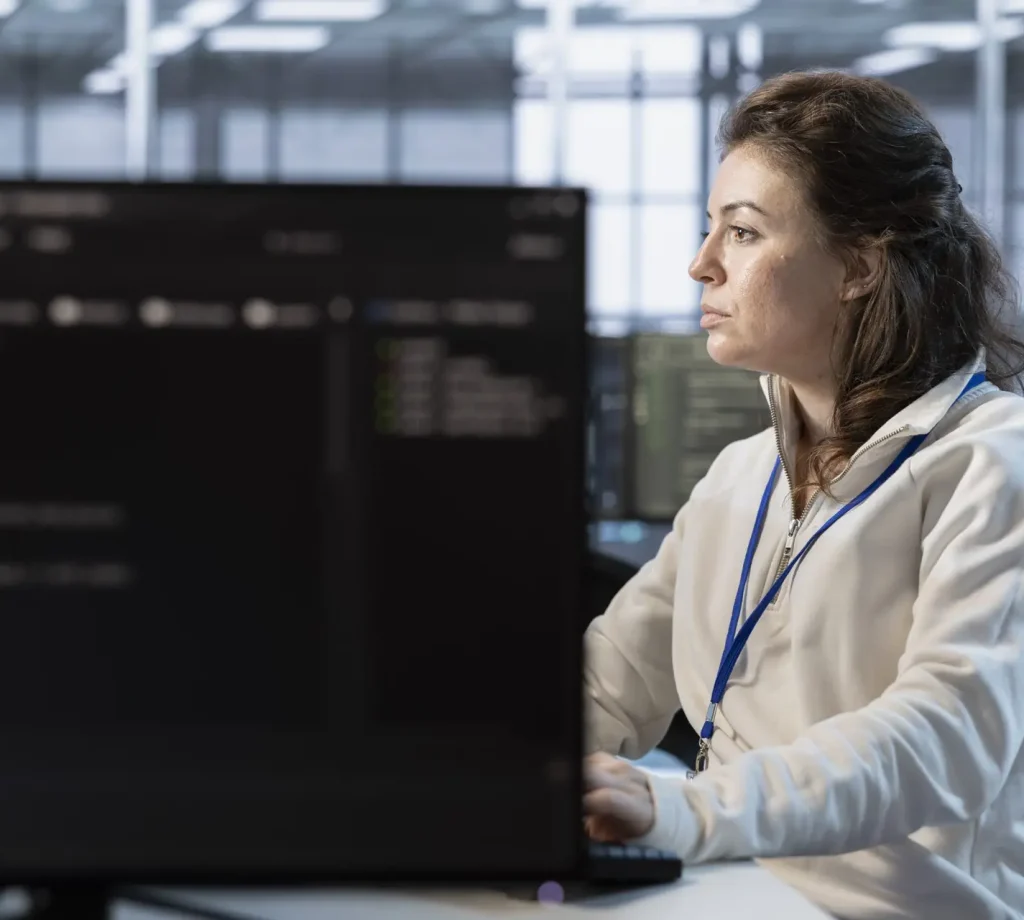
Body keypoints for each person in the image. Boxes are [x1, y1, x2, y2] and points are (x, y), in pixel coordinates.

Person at [581, 69, 1024, 920]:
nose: (701, 264)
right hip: (732, 890)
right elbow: (612, 683)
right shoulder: (742, 476)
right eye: (710, 229)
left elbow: (947, 736)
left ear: (858, 264)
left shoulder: (991, 462)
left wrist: (686, 810)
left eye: (742, 233)